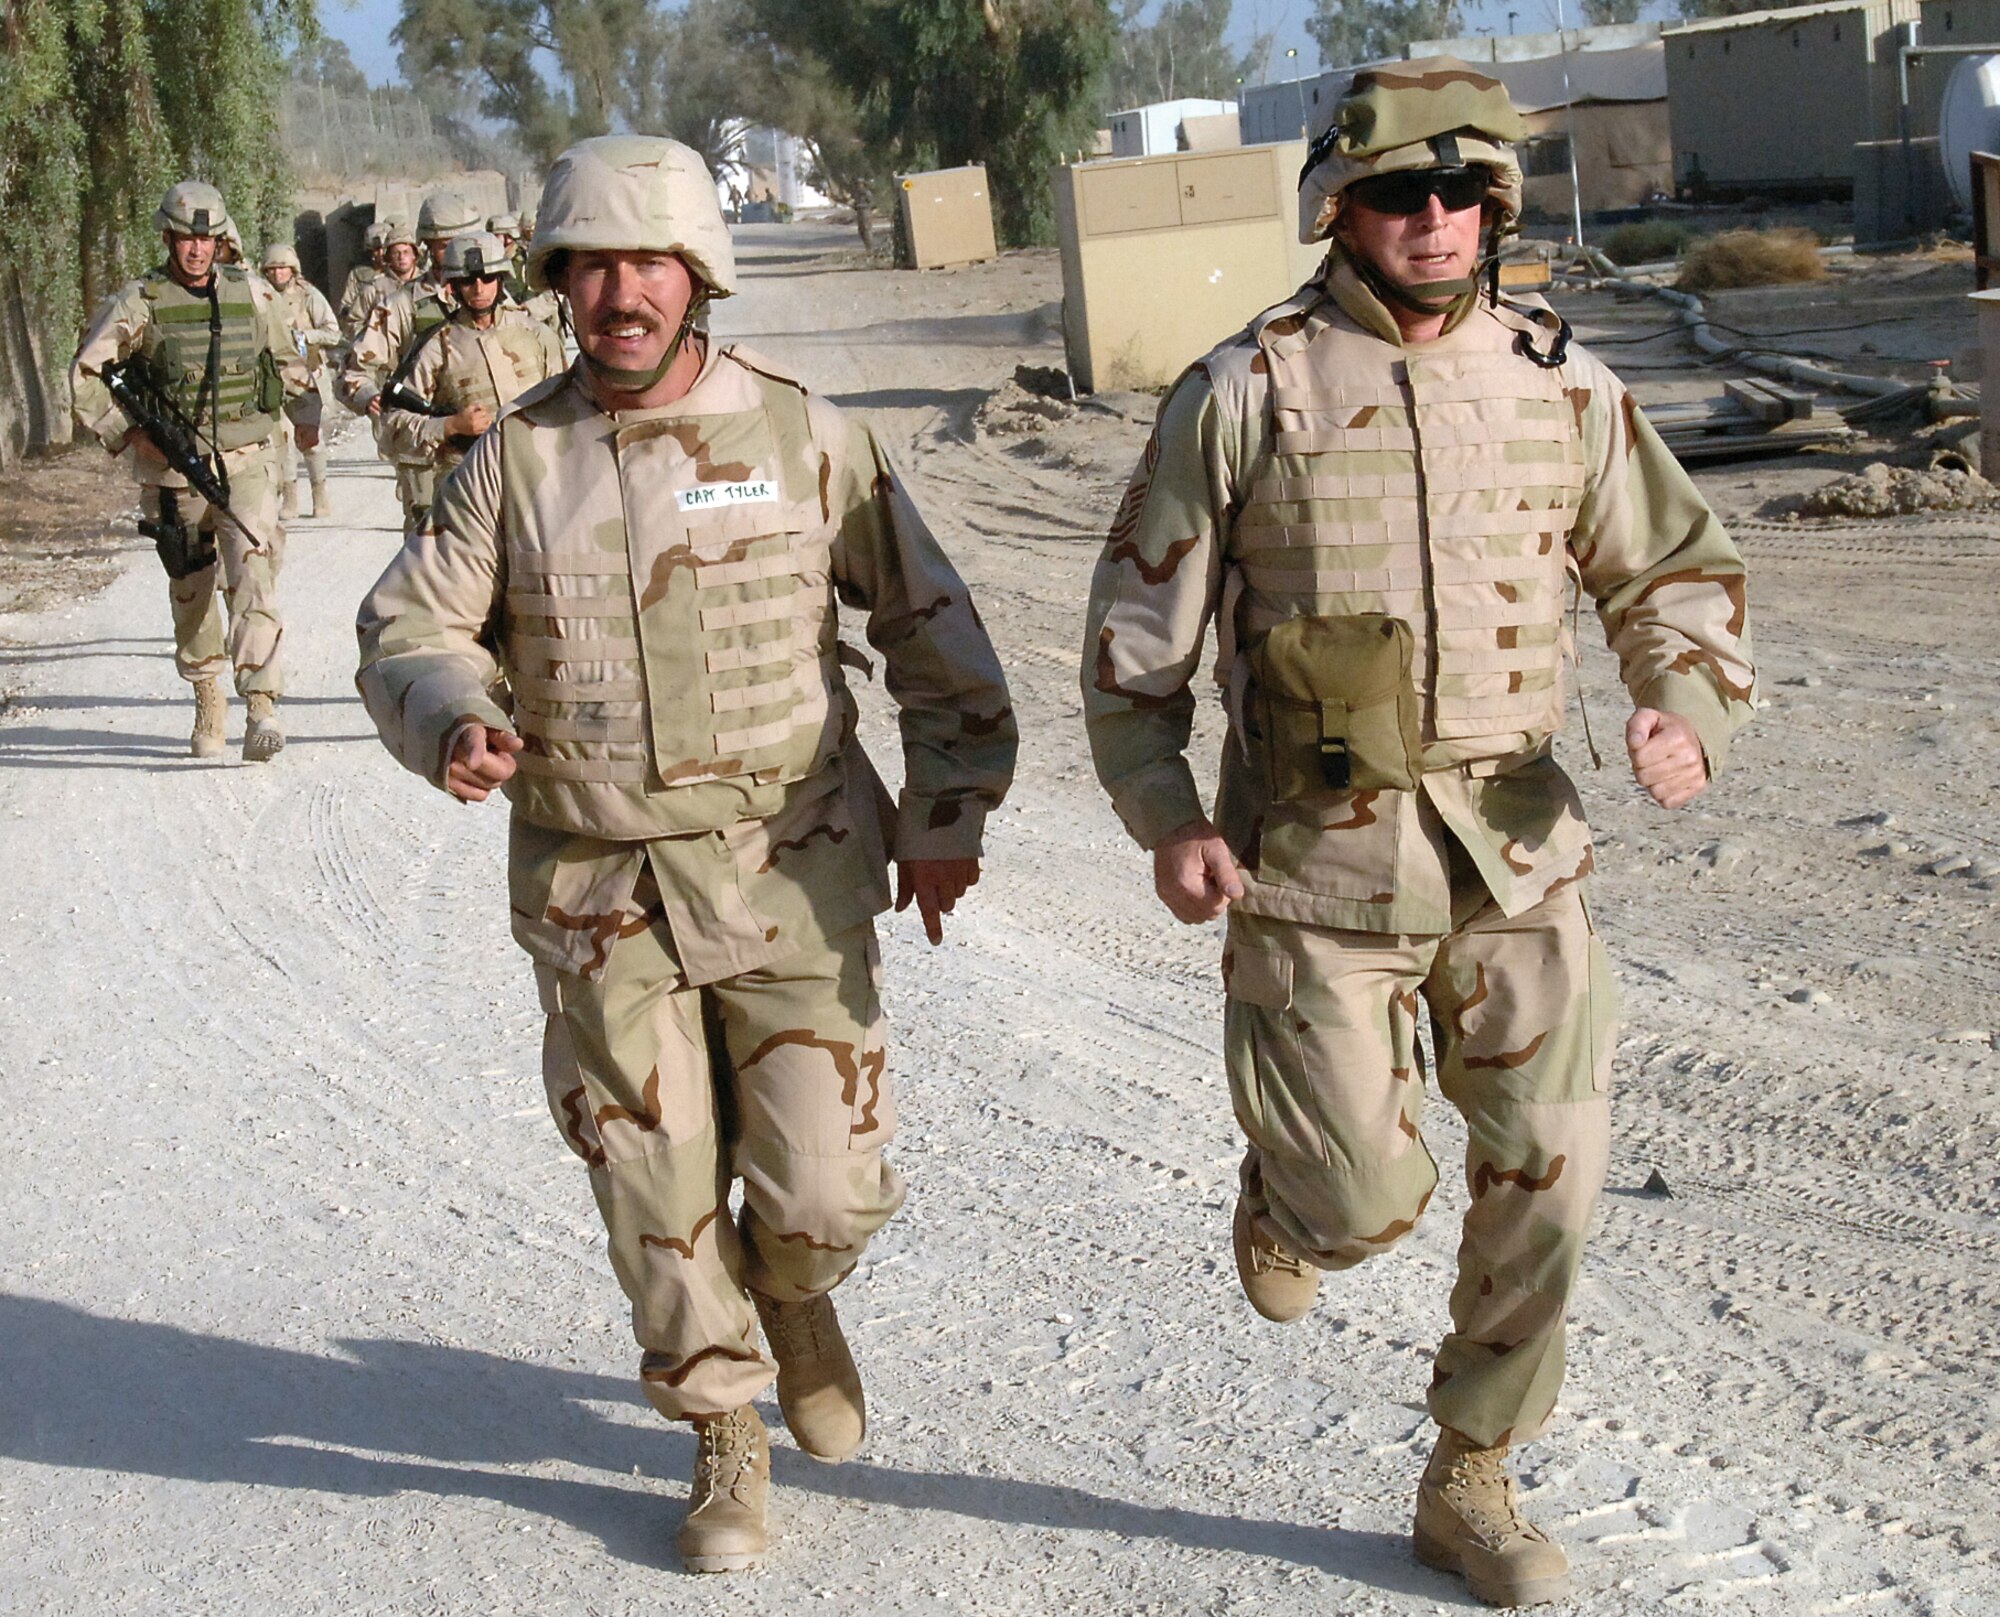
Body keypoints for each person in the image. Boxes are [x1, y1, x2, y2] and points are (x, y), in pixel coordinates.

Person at [1079, 59, 1755, 1608]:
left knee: (1554, 1181)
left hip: (1521, 859)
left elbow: (1673, 572)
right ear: (1343, 208)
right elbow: (1136, 642)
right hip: (1314, 875)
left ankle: (1471, 1474)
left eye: (1465, 193)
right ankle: (1294, 1191)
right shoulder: (1246, 389)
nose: (1437, 219)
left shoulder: (1559, 380)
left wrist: (1683, 707)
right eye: (1401, 193)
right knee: (1369, 1204)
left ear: (1499, 208)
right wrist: (1167, 816)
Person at [356, 135, 1016, 1575]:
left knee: (827, 1191)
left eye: (647, 262)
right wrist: (453, 712)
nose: (619, 293)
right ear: (559, 284)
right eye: (590, 266)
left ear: (696, 276)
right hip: (602, 897)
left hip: (796, 874)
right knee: (655, 1191)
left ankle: (795, 1290)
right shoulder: (512, 466)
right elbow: (406, 630)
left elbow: (932, 632)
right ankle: (724, 1426)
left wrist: (948, 815)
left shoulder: (806, 438)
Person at [70, 179, 320, 761]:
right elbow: (85, 373)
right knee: (192, 588)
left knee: (254, 574)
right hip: (173, 475)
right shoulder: (141, 301)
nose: (197, 250)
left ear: (219, 241)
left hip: (248, 462)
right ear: (167, 238)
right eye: (186, 239)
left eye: (206, 239)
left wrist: (306, 415)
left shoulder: (253, 292)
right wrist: (128, 434)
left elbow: (288, 359)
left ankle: (261, 703)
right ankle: (208, 692)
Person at [338, 192, 481, 532]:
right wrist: (368, 395)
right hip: (426, 449)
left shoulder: (490, 296)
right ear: (427, 247)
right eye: (446, 245)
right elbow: (353, 372)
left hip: (485, 445)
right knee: (429, 556)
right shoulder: (401, 304)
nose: (457, 254)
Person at [378, 231, 563, 486]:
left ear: (501, 280)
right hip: (469, 484)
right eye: (468, 280)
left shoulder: (537, 336)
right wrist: (450, 426)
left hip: (538, 478)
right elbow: (393, 429)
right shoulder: (436, 346)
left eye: (487, 278)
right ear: (452, 285)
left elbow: (573, 407)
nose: (479, 289)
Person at [261, 242, 341, 520]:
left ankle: (320, 494)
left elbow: (333, 333)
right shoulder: (261, 295)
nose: (277, 274)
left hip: (308, 378)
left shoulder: (309, 296)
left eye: (282, 268)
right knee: (281, 441)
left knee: (311, 440)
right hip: (274, 380)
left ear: (293, 269)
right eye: (271, 269)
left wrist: (307, 337)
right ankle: (290, 499)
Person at [338, 220, 393, 338]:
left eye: (385, 248)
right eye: (377, 249)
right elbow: (345, 309)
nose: (382, 253)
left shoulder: (400, 273)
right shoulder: (359, 275)